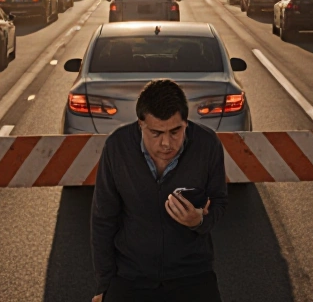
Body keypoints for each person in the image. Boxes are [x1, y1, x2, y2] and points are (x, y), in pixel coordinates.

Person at [90, 79, 228, 302]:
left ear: (186, 122)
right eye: (156, 133)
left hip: (192, 273)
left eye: (175, 131)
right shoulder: (117, 146)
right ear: (140, 124)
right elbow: (103, 219)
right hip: (131, 275)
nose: (166, 143)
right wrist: (103, 284)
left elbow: (219, 201)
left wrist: (199, 222)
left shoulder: (207, 144)